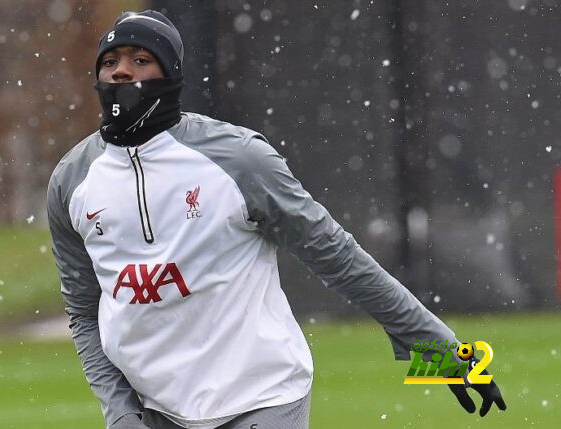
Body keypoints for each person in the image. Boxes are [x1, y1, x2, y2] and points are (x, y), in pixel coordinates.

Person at [47, 10, 506, 429]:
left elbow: (339, 258)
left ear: (171, 76)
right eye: (110, 62)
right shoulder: (71, 182)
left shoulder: (241, 160)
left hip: (262, 397)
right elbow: (86, 314)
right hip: (156, 411)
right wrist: (121, 412)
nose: (121, 70)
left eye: (140, 59)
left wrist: (443, 351)